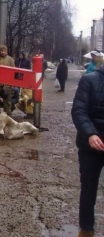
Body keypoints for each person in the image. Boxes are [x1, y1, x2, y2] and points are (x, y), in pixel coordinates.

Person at [71, 64, 104, 237]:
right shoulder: (89, 80)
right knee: (89, 190)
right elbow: (79, 110)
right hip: (91, 147)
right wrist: (90, 134)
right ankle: (86, 230)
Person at [0, 45, 15, 120]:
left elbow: (13, 71)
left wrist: (11, 83)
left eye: (4, 51)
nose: (3, 52)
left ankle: (8, 118)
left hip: (7, 83)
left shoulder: (10, 60)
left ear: (6, 51)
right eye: (1, 51)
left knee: (7, 101)